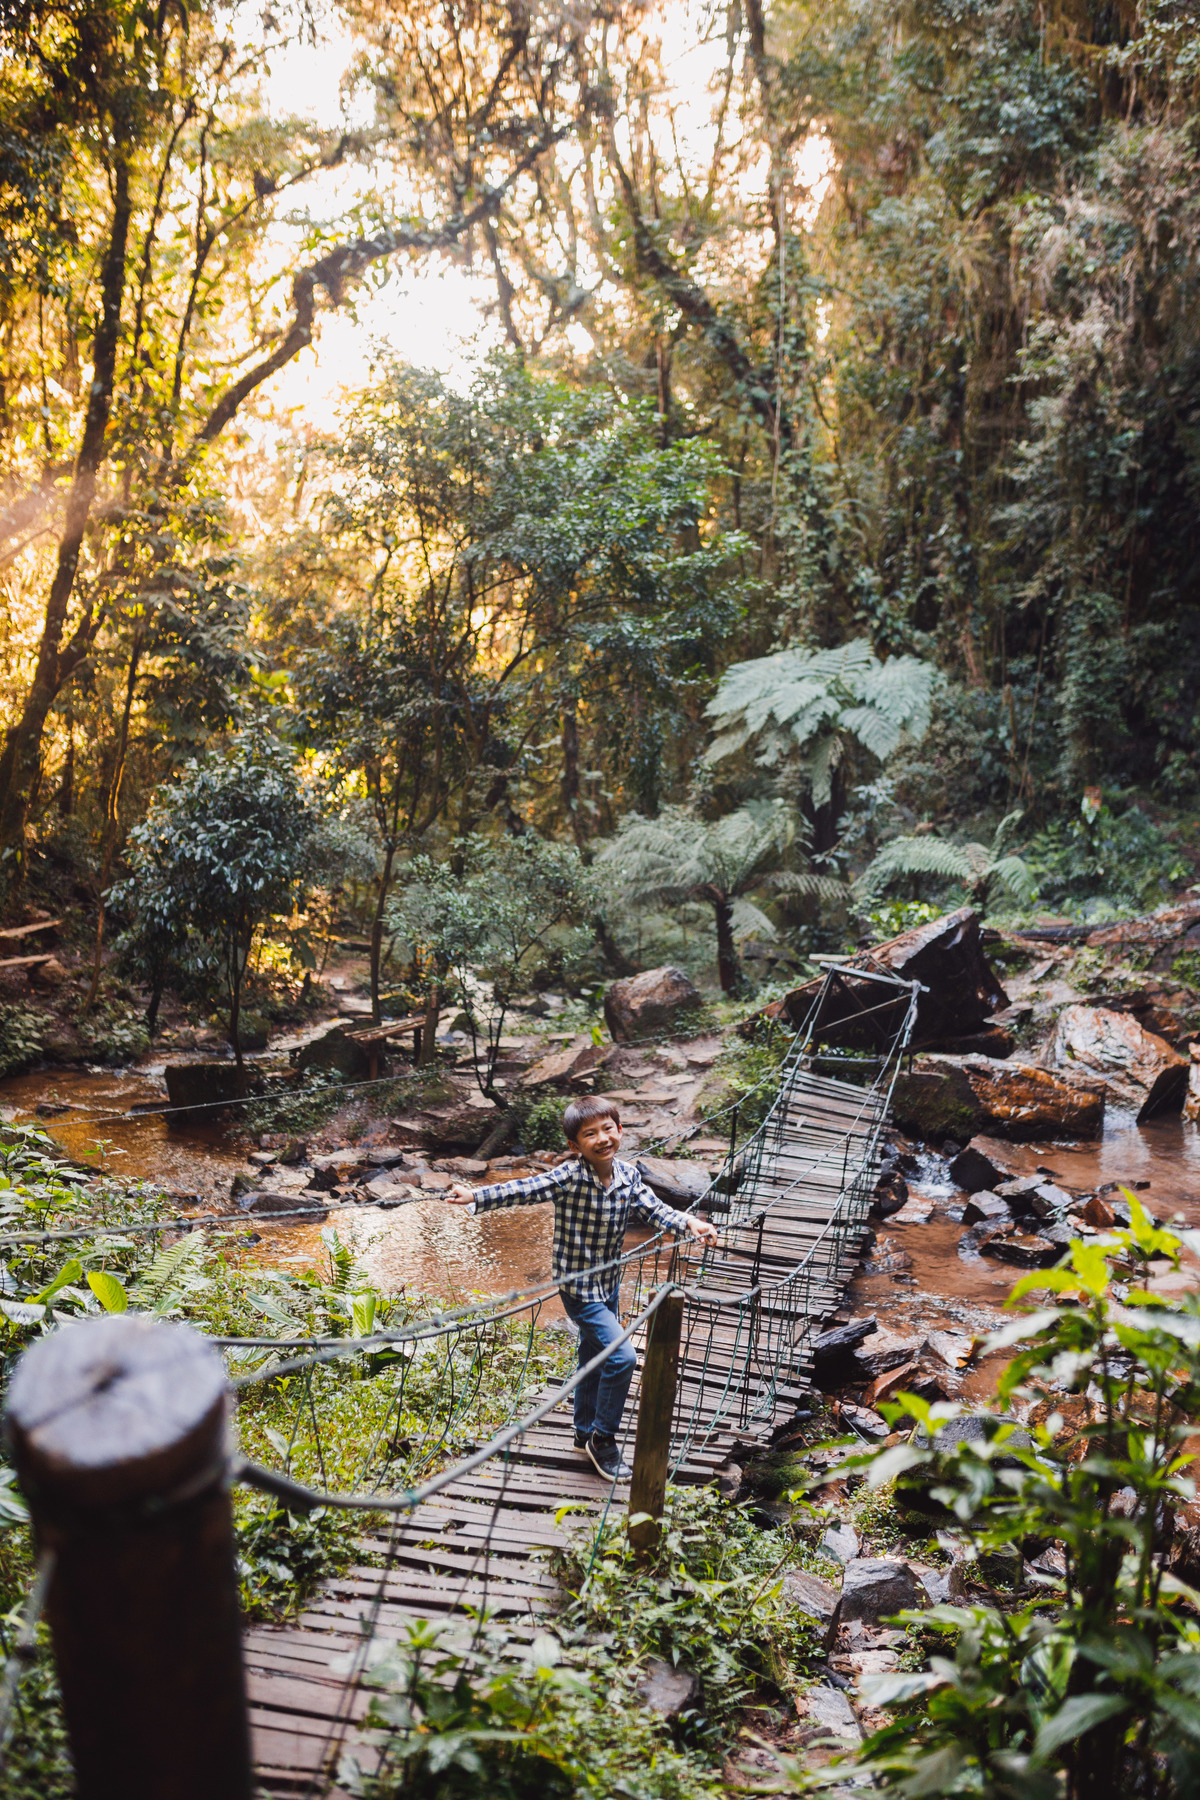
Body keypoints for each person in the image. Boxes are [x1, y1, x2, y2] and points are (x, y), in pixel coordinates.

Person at [445, 1094, 719, 1482]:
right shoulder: (569, 1176)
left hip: (608, 1284)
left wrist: (690, 1224)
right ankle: (602, 1439)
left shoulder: (628, 1175)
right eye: (590, 1134)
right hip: (579, 1289)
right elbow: (525, 1188)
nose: (602, 1138)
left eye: (608, 1129)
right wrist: (476, 1194)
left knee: (592, 1357)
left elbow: (656, 1210)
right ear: (576, 1146)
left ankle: (582, 1429)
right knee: (621, 1357)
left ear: (620, 1130)